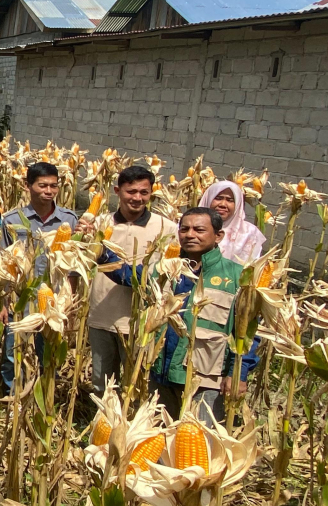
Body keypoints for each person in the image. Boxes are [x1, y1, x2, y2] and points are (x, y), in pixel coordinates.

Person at [96, 208, 256, 423]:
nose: (190, 235)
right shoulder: (164, 269)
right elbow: (131, 276)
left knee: (199, 439)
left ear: (218, 236)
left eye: (199, 230)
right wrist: (99, 250)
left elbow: (248, 333)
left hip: (206, 377)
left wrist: (238, 374)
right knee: (161, 441)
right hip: (160, 372)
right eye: (184, 229)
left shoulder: (237, 276)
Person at [86, 165, 178, 398]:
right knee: (102, 384)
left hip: (142, 320)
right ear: (118, 191)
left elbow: (170, 271)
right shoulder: (99, 223)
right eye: (131, 191)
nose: (137, 198)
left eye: (144, 192)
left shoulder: (166, 228)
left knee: (136, 386)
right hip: (101, 315)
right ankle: (103, 429)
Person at [0, 161, 83, 392]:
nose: (49, 191)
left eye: (53, 186)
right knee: (13, 351)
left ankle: (45, 396)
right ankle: (13, 398)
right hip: (21, 299)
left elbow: (72, 266)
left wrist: (71, 303)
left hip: (55, 300)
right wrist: (4, 303)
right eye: (42, 185)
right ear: (27, 186)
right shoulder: (12, 220)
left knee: (49, 351)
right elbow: (6, 266)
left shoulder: (69, 220)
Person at [197, 180, 267, 265]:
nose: (223, 204)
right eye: (218, 198)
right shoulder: (189, 227)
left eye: (230, 200)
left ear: (237, 204)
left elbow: (251, 269)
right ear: (208, 199)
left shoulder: (250, 233)